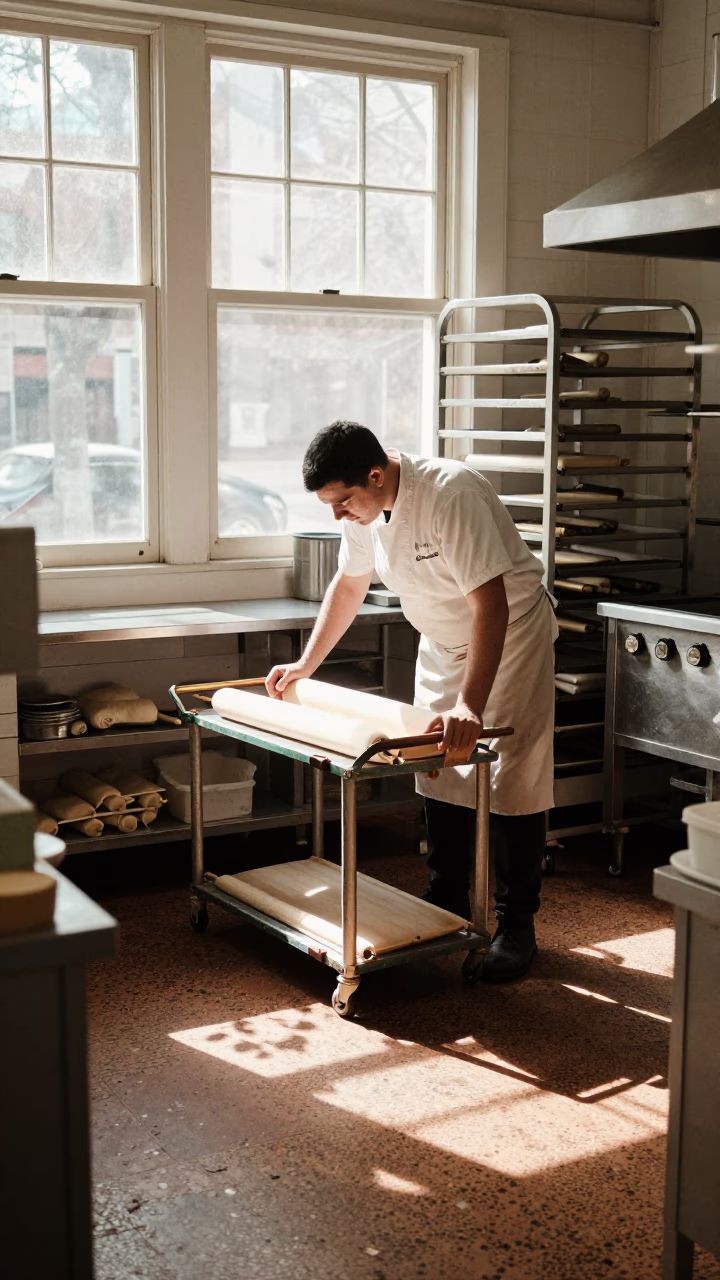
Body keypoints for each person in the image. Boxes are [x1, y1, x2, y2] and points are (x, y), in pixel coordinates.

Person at [266, 421, 557, 982]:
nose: (338, 514)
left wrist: (470, 705)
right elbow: (349, 584)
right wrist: (306, 664)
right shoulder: (364, 511)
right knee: (434, 763)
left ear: (377, 475)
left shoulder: (451, 495)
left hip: (510, 635)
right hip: (443, 642)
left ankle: (516, 923)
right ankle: (445, 895)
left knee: (511, 777)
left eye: (343, 501)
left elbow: (491, 605)